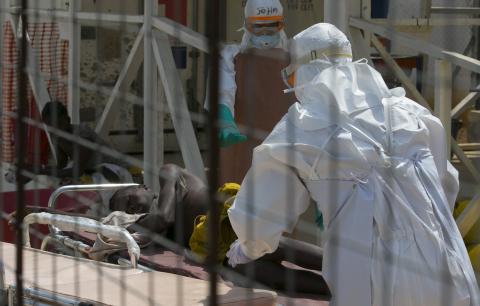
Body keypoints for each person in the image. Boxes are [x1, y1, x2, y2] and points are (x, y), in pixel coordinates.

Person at [226, 23, 480, 306]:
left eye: (291, 73)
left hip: (375, 282)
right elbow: (445, 185)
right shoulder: (412, 113)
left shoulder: (303, 125)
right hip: (449, 271)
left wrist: (247, 247)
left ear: (305, 70)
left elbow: (262, 210)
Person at [11, 163, 330, 297]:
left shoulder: (169, 176)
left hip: (231, 218)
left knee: (279, 247)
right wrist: (46, 212)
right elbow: (98, 230)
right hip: (219, 249)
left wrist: (137, 223)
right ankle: (334, 292)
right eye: (125, 210)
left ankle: (349, 267)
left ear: (143, 187)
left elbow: (161, 217)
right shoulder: (154, 230)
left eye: (130, 201)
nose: (131, 210)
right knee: (267, 275)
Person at [213, 0, 296, 184]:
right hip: (242, 145)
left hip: (286, 145)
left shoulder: (296, 55)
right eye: (259, 27)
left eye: (272, 26)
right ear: (247, 26)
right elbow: (222, 91)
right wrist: (225, 121)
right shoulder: (230, 57)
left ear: (281, 25)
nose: (265, 33)